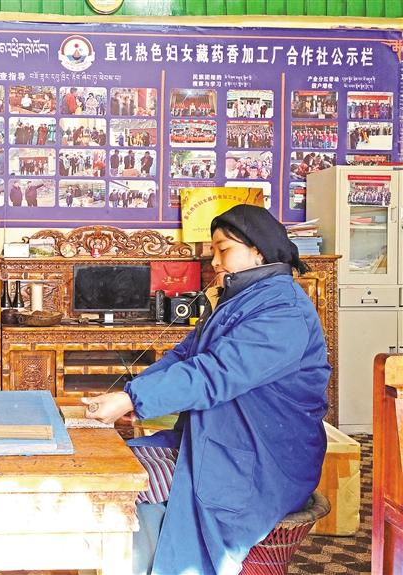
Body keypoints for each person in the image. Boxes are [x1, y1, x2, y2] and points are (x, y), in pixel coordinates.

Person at [83, 204, 329, 575]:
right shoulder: (240, 300)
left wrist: (133, 398)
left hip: (264, 456)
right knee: (113, 466)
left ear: (258, 251)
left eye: (223, 249)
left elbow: (216, 373)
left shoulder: (284, 311)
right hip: (223, 439)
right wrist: (132, 394)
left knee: (125, 486)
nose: (214, 261)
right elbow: (184, 357)